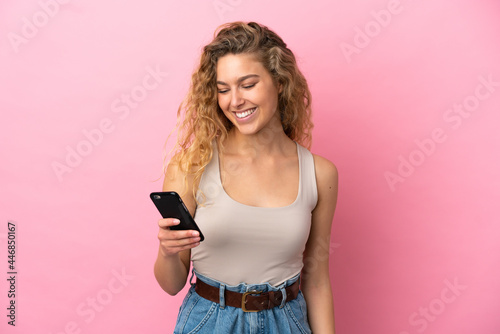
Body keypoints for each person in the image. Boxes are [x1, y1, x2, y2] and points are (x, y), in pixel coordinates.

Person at [154, 21, 338, 334]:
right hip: (210, 321)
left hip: (287, 322)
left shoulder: (320, 174)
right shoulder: (191, 168)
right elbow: (171, 284)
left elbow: (317, 280)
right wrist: (167, 251)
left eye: (248, 84)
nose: (234, 101)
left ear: (279, 82)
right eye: (223, 89)